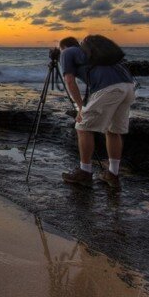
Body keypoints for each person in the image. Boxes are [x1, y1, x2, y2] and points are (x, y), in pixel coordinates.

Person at [57, 35, 135, 189]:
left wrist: (80, 107)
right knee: (113, 130)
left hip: (108, 88)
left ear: (63, 48)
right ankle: (112, 174)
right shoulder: (94, 53)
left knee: (83, 127)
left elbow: (69, 81)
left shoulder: (67, 52)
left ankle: (84, 173)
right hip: (128, 86)